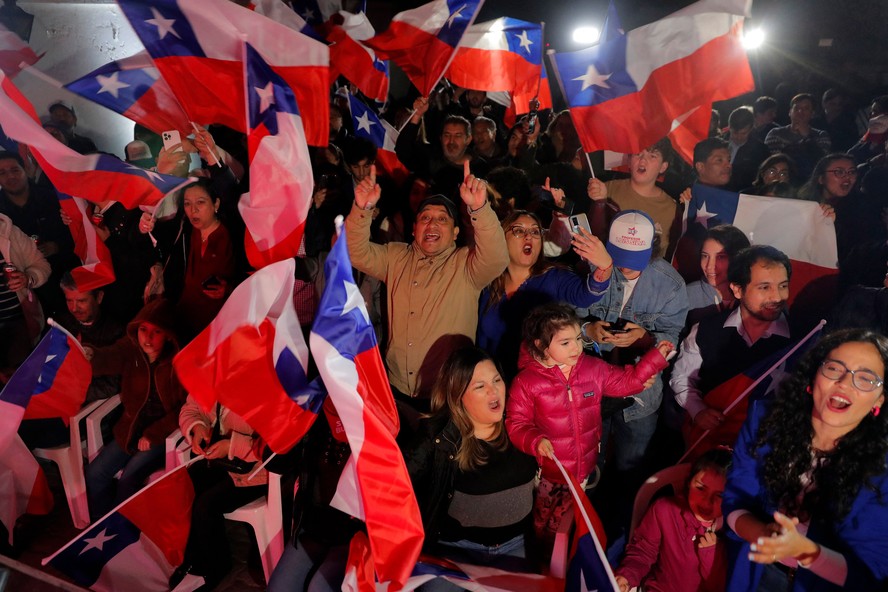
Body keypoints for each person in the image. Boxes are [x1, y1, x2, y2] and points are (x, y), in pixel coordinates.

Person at [723, 329, 888, 591]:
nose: (845, 383)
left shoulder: (882, 469)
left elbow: (873, 571)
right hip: (757, 571)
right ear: (813, 376)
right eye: (834, 368)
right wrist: (762, 534)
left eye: (866, 378)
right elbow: (735, 498)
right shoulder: (764, 421)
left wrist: (805, 551)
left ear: (879, 400)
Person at [345, 162, 508, 407]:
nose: (432, 224)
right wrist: (362, 208)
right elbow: (354, 252)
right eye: (425, 218)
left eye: (442, 219)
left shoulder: (465, 264)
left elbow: (497, 259)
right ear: (414, 229)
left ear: (454, 232)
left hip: (447, 393)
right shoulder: (395, 256)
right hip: (395, 387)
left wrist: (479, 208)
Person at [507, 303, 671, 543]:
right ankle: (543, 558)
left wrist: (654, 360)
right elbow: (516, 422)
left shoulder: (592, 368)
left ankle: (567, 560)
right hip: (551, 472)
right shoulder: (527, 382)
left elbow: (626, 381)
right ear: (540, 345)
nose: (576, 347)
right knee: (546, 522)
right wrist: (534, 440)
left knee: (574, 520)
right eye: (565, 343)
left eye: (576, 338)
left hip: (584, 467)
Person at [403, 347, 538, 583]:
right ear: (458, 396)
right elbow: (395, 481)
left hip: (515, 548)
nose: (493, 389)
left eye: (497, 380)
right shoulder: (439, 436)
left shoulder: (524, 423)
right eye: (480, 386)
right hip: (454, 551)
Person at [579, 211, 688, 479]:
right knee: (587, 465)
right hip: (589, 389)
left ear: (652, 250)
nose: (625, 266)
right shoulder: (591, 269)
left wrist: (644, 339)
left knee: (631, 471)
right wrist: (587, 330)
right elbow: (560, 322)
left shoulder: (670, 285)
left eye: (634, 259)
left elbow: (672, 340)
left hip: (640, 398)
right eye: (620, 256)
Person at [476, 210, 613, 379]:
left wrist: (605, 267)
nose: (529, 236)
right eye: (518, 230)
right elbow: (482, 342)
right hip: (496, 386)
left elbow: (586, 296)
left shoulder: (553, 277)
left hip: (539, 391)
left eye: (535, 231)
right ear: (502, 238)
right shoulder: (490, 282)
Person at [672, 246, 792, 436]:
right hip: (712, 439)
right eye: (764, 287)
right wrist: (699, 411)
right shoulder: (706, 330)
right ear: (737, 290)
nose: (777, 297)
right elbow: (681, 378)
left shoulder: (801, 340)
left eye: (783, 286)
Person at [83, 298, 186, 520]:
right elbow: (108, 356)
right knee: (94, 474)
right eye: (142, 330)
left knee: (128, 480)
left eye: (156, 332)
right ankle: (102, 530)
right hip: (130, 430)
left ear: (168, 335)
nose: (147, 338)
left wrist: (154, 434)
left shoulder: (179, 361)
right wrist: (90, 355)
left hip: (163, 435)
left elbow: (185, 409)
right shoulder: (131, 349)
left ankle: (124, 537)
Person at [168, 397, 268, 590]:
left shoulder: (266, 383)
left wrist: (231, 446)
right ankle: (193, 558)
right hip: (223, 461)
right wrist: (197, 427)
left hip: (258, 471)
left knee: (206, 505)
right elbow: (191, 408)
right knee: (188, 485)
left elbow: (275, 447)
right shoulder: (213, 373)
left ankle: (218, 567)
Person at [614, 447, 733, 592]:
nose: (706, 501)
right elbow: (643, 552)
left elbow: (723, 585)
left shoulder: (734, 528)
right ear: (689, 482)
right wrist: (626, 576)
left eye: (719, 495)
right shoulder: (664, 510)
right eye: (701, 488)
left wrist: (712, 554)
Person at [140, 179, 237, 342]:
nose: (193, 210)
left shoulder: (233, 236)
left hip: (221, 325)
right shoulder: (183, 230)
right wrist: (144, 224)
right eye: (187, 204)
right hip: (183, 319)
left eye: (201, 202)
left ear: (216, 204)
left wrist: (228, 288)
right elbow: (151, 240)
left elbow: (251, 276)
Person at [586, 138, 680, 257]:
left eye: (652, 156)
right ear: (629, 160)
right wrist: (599, 202)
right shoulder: (607, 189)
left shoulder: (671, 208)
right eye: (638, 154)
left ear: (663, 167)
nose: (643, 160)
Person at [0, 211, 50, 376]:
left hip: (18, 320)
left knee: (21, 378)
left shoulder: (10, 232)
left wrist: (28, 277)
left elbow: (41, 264)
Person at [684, 225, 751, 329]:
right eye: (705, 256)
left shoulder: (753, 294)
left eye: (720, 257)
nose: (710, 266)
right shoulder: (686, 294)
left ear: (738, 259)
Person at [765, 93, 832, 181]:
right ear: (790, 112)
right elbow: (773, 161)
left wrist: (807, 137)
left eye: (806, 109)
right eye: (796, 108)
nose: (800, 112)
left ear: (812, 113)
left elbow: (822, 163)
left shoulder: (821, 136)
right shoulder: (776, 134)